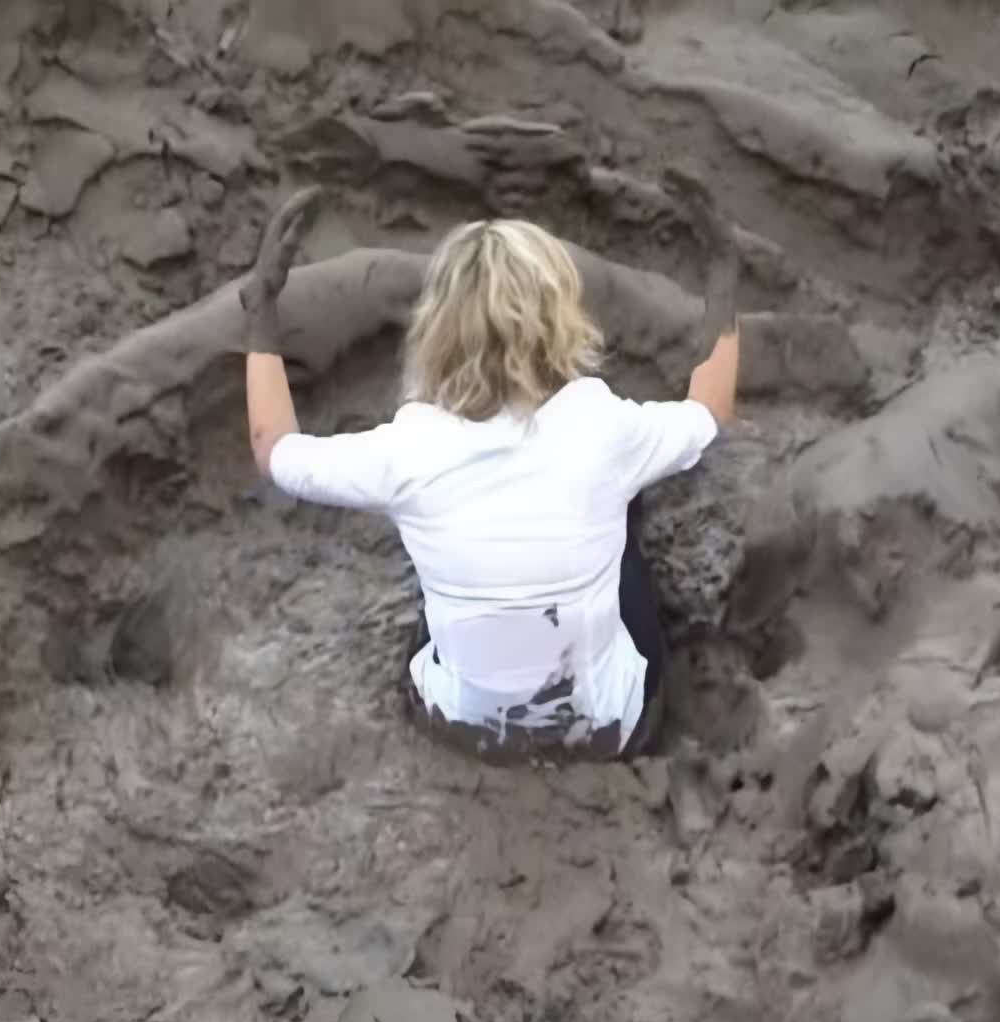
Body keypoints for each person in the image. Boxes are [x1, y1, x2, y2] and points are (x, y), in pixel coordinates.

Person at [237, 171, 740, 762]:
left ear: (437, 327)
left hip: (462, 731)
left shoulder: (408, 448)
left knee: (435, 557)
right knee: (624, 520)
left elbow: (275, 450)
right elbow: (709, 411)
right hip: (607, 731)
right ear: (559, 317)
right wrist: (723, 272)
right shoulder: (602, 425)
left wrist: (261, 309)